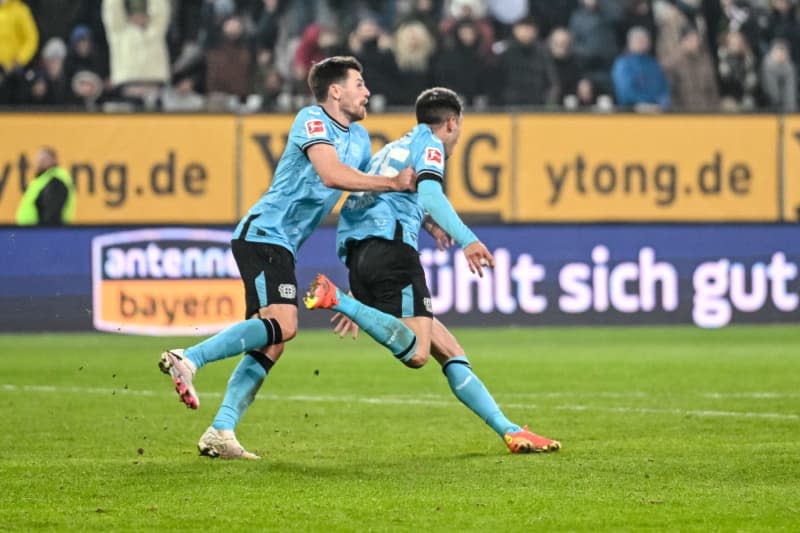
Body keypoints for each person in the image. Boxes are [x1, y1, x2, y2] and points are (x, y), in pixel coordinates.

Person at [158, 56, 416, 459]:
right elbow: (332, 175)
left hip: (282, 245)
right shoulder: (312, 120)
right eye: (359, 84)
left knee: (272, 340)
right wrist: (392, 182)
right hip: (263, 231)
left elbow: (358, 203)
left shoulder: (362, 140)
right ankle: (188, 358)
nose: (367, 92)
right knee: (284, 324)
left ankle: (221, 431)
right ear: (336, 91)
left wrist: (361, 286)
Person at [304, 87, 561, 454]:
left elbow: (382, 202)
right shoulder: (430, 145)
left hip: (361, 253)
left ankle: (509, 429)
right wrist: (467, 240)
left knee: (449, 349)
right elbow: (430, 194)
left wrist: (424, 225)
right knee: (418, 354)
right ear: (452, 123)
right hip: (392, 251)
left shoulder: (394, 147)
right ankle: (338, 300)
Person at [611, 26, 670, 112]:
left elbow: (664, 87)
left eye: (646, 39)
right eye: (639, 40)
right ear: (630, 42)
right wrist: (642, 103)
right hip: (633, 112)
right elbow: (624, 91)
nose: (643, 43)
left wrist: (663, 102)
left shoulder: (653, 63)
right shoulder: (623, 64)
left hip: (658, 111)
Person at [16, 146, 76, 226]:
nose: (39, 161)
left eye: (44, 158)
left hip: (42, 234)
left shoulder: (55, 180)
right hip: (32, 233)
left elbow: (52, 214)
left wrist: (46, 232)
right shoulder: (43, 179)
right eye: (38, 158)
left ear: (54, 160)